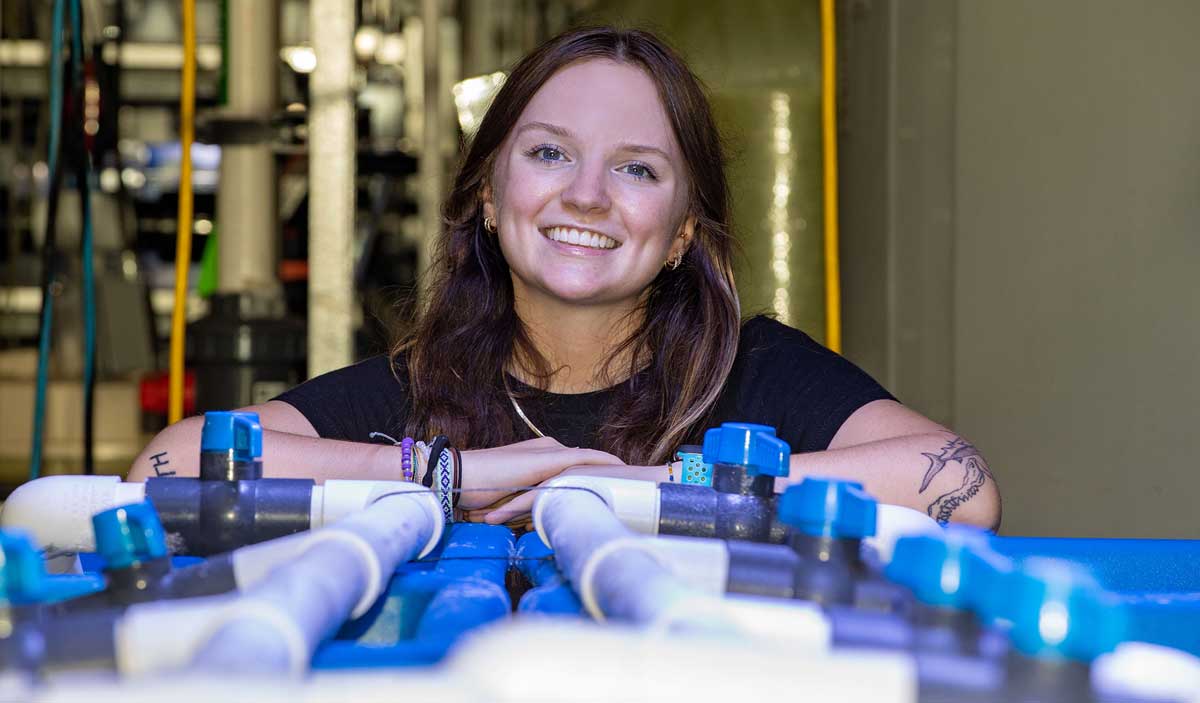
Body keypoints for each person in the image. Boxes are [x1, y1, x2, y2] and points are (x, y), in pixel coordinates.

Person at [129, 26, 1000, 531]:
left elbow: (960, 482)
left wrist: (652, 490)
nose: (586, 194)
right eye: (550, 153)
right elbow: (164, 467)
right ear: (484, 193)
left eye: (637, 170)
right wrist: (443, 475)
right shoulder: (418, 389)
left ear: (681, 235)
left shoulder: (752, 374)